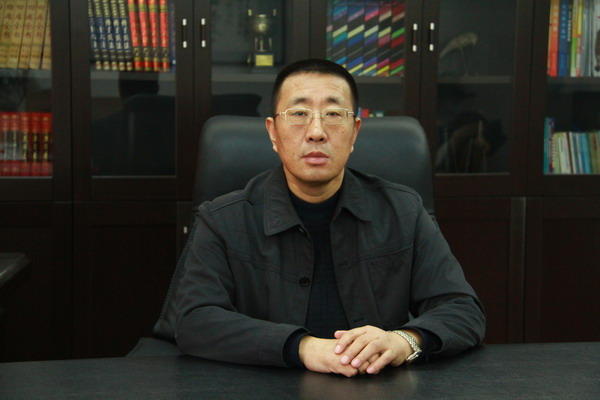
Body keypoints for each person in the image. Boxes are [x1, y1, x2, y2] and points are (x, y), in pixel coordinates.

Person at [175, 58, 485, 377]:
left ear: (354, 133)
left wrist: (403, 341)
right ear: (272, 132)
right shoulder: (222, 220)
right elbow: (194, 320)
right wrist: (302, 348)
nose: (317, 132)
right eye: (298, 114)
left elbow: (462, 310)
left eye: (334, 114)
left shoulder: (404, 211)